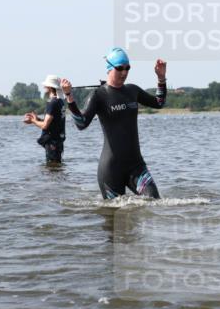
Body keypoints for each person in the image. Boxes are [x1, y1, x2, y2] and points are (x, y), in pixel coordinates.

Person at [61, 47, 167, 198]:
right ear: (110, 68)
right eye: (119, 68)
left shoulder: (132, 91)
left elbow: (159, 102)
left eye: (127, 68)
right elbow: (81, 123)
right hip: (111, 170)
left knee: (155, 201)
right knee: (115, 218)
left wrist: (161, 79)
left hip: (136, 166)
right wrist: (69, 97)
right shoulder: (99, 95)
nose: (124, 72)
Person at [23, 75, 66, 163]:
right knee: (57, 168)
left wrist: (32, 121)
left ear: (50, 87)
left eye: (46, 85)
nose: (44, 87)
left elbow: (45, 126)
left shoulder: (52, 103)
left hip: (52, 142)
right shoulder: (60, 101)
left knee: (52, 168)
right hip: (58, 140)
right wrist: (37, 119)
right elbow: (53, 122)